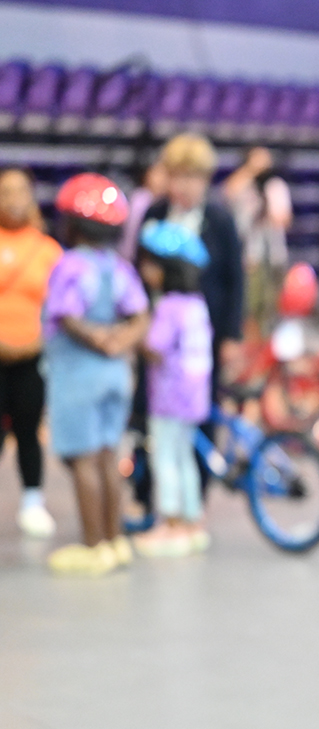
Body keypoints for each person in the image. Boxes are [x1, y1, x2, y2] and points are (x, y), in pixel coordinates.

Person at [42, 174, 149, 575]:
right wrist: (121, 341)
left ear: (69, 223)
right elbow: (140, 315)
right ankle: (115, 539)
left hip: (78, 376)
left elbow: (66, 316)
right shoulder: (118, 268)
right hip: (115, 377)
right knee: (107, 456)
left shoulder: (69, 266)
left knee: (83, 459)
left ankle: (93, 546)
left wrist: (99, 339)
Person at [143, 133, 243, 407]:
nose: (185, 186)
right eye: (178, 177)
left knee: (200, 405)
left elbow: (235, 280)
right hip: (160, 331)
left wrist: (231, 336)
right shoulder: (156, 214)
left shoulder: (219, 220)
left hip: (204, 332)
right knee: (153, 404)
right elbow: (140, 269)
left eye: (193, 177)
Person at [132, 221, 213, 558]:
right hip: (194, 397)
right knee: (185, 458)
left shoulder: (168, 308)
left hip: (168, 399)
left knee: (165, 458)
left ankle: (170, 523)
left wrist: (135, 333)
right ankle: (192, 522)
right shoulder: (196, 304)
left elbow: (155, 347)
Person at [0, 166, 63, 538]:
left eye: (20, 191)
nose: (13, 199)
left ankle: (33, 500)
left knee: (28, 429)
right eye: (5, 191)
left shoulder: (47, 250)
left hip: (31, 357)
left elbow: (61, 309)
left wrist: (38, 344)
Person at [221, 146, 292, 342]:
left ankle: (267, 347)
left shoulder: (275, 186)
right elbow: (228, 191)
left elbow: (284, 219)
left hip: (275, 254)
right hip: (251, 256)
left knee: (273, 307)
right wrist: (251, 171)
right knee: (249, 308)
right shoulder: (244, 184)